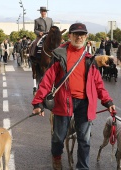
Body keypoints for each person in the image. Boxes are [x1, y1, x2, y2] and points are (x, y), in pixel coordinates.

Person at [31, 23, 115, 170]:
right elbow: (47, 80)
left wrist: (107, 101)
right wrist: (38, 102)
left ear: (86, 37)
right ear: (69, 36)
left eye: (82, 34)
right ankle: (56, 157)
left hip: (85, 103)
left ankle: (82, 167)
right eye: (76, 34)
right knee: (58, 137)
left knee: (84, 139)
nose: (79, 37)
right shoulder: (59, 55)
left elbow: (98, 83)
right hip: (63, 101)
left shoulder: (89, 58)